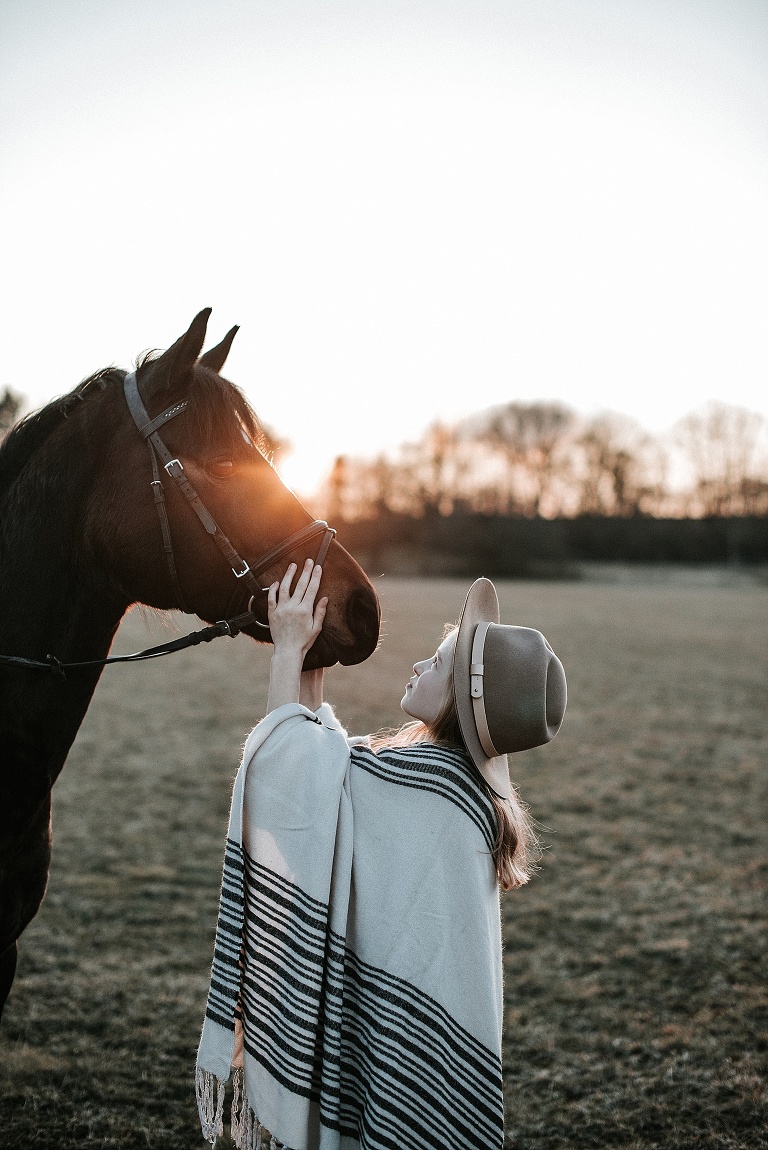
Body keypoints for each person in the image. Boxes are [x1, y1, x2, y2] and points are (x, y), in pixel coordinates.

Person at [197, 562, 567, 1150]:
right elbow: (331, 774)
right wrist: (314, 666)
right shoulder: (458, 785)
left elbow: (291, 776)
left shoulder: (430, 784)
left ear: (460, 702)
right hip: (422, 1051)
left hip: (399, 1041)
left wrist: (288, 650)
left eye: (438, 663)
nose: (421, 663)